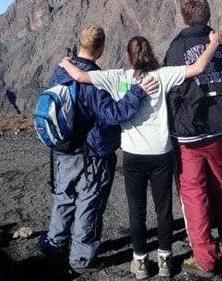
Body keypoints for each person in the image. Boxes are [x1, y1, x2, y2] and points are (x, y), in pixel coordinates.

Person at [59, 30, 222, 279]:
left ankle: (140, 262)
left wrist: (65, 62)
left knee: (136, 210)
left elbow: (80, 77)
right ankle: (166, 259)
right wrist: (213, 43)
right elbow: (199, 67)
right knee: (163, 208)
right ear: (150, 54)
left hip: (134, 156)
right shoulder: (163, 75)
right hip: (161, 154)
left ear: (128, 57)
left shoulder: (116, 77)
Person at [38, 26, 159, 274]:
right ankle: (81, 259)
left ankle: (54, 243)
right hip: (92, 153)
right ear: (101, 49)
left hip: (64, 148)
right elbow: (111, 115)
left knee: (64, 196)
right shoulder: (95, 81)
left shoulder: (60, 71)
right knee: (89, 202)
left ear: (78, 44)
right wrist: (136, 93)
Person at [164, 0, 222, 278]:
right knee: (221, 186)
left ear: (184, 18)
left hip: (189, 134)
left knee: (193, 193)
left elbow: (171, 86)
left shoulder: (177, 48)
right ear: (207, 15)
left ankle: (205, 258)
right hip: (220, 128)